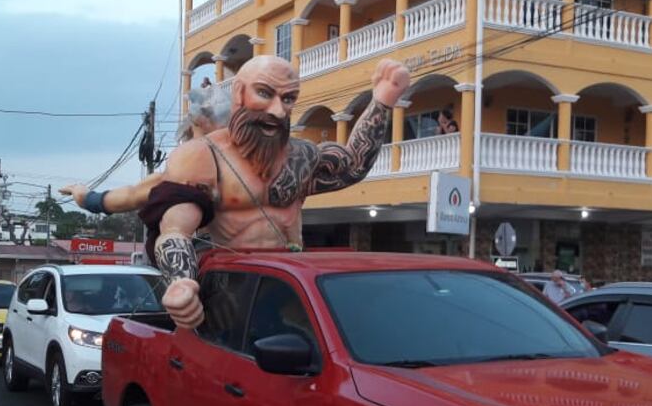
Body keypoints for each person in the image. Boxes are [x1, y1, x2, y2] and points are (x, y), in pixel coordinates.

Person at [61, 56, 410, 329]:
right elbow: (174, 229)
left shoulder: (301, 156)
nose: (278, 110)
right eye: (265, 93)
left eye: (289, 99)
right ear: (239, 93)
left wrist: (381, 101)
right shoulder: (201, 156)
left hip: (290, 289)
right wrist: (182, 283)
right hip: (228, 295)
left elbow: (349, 167)